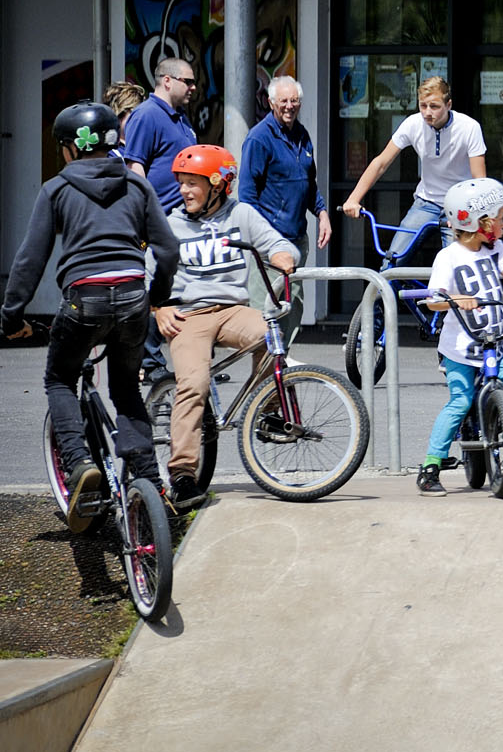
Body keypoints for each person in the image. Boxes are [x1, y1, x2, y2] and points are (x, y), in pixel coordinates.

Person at [3, 103, 178, 529]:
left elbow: (31, 259)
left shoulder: (57, 189)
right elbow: (168, 250)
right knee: (126, 390)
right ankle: (150, 482)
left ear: (68, 149)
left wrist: (11, 316)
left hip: (84, 299)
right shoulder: (137, 187)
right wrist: (156, 298)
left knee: (59, 378)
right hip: (134, 298)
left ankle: (80, 464)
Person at [156, 145, 299, 510]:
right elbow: (147, 275)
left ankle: (266, 413)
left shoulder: (242, 214)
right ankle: (183, 476)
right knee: (194, 384)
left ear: (218, 186)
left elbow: (278, 244)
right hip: (188, 316)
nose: (185, 191)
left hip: (233, 310)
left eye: (193, 183)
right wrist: (158, 309)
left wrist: (284, 256)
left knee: (270, 337)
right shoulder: (170, 225)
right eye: (182, 183)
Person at [415, 178, 503, 495]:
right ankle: (431, 465)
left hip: (497, 342)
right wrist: (455, 298)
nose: (502, 223)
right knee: (460, 401)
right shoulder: (449, 257)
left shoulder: (495, 247)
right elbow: (434, 299)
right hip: (460, 349)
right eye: (499, 217)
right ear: (480, 222)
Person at [340, 76, 487, 261]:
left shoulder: (469, 127)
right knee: (392, 261)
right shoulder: (413, 124)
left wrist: (471, 215)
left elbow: (479, 179)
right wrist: (354, 199)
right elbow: (381, 163)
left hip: (459, 206)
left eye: (434, 106)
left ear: (449, 105)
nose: (427, 112)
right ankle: (387, 289)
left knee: (458, 268)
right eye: (422, 105)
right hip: (426, 202)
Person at [239, 76, 332, 255]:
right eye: (284, 101)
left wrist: (322, 214)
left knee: (295, 284)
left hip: (298, 239)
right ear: (271, 103)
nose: (289, 106)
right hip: (269, 243)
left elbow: (309, 184)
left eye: (294, 100)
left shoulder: (302, 135)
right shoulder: (259, 138)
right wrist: (264, 237)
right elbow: (247, 196)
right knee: (269, 285)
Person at [121, 57, 199, 212]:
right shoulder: (146, 114)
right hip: (162, 219)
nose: (193, 87)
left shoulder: (181, 116)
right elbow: (134, 167)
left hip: (184, 219)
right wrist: (149, 214)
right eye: (188, 82)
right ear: (167, 81)